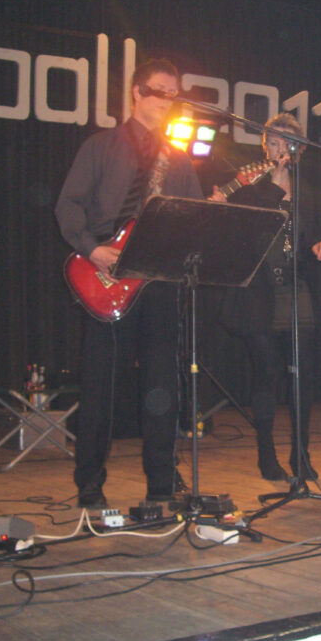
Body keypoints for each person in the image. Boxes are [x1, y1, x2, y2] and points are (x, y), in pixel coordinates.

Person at [55, 59, 203, 507]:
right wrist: (92, 249)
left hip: (156, 280)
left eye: (173, 94)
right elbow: (67, 206)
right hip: (106, 273)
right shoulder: (101, 146)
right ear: (137, 93)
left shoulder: (178, 158)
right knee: (100, 386)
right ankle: (89, 484)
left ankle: (162, 481)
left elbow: (193, 215)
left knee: (162, 385)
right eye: (159, 91)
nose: (166, 100)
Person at [210, 112, 321, 481]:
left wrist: (317, 245)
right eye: (274, 142)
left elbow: (307, 232)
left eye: (288, 143)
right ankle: (266, 455)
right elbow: (246, 228)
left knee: (302, 374)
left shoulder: (305, 188)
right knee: (266, 374)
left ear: (299, 149)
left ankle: (301, 454)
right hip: (258, 289)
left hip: (293, 286)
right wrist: (275, 187)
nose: (281, 149)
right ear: (266, 146)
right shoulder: (250, 182)